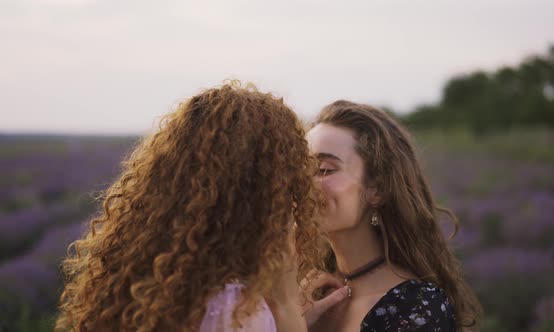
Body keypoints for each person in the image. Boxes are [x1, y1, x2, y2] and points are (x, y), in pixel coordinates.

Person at [55, 82, 348, 332]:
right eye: (291, 176)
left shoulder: (152, 284)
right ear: (265, 191)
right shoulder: (235, 310)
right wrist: (286, 311)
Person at [306, 100, 483, 332]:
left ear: (378, 190)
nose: (304, 183)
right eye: (300, 168)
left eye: (324, 170)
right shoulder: (305, 291)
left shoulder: (416, 309)